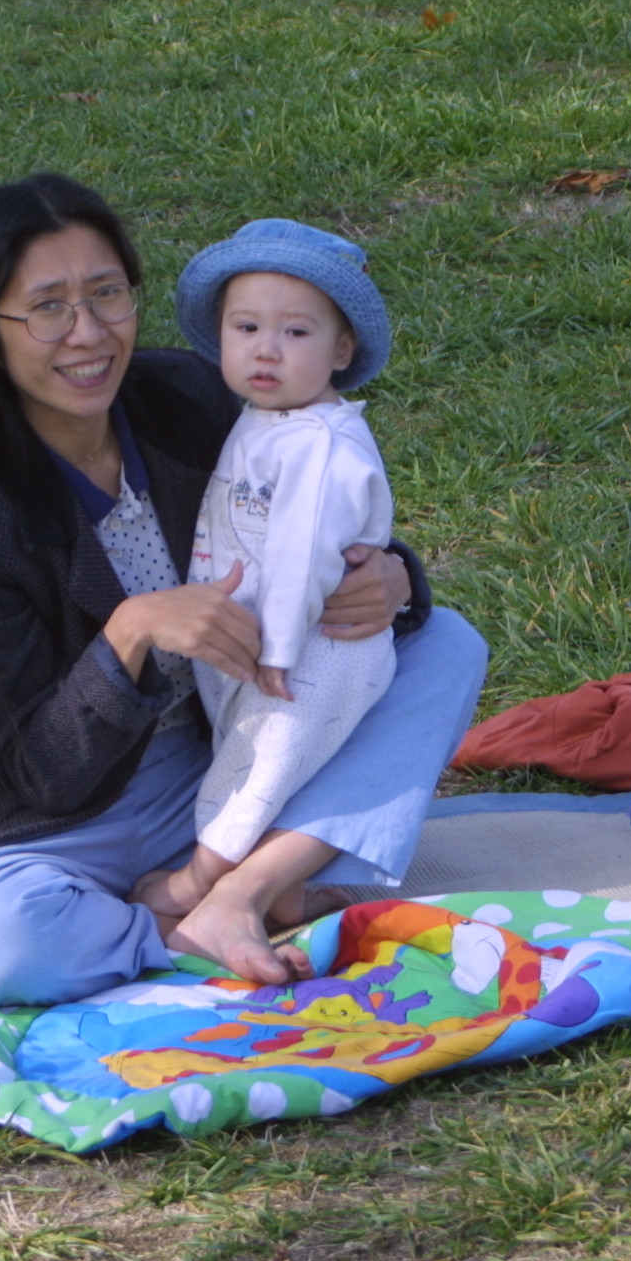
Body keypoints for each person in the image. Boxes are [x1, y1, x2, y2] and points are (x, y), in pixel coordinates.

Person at [0, 173, 486, 1005]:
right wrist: (128, 634)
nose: (89, 333)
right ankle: (181, 926)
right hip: (56, 815)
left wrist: (393, 575)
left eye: (107, 294)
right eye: (48, 308)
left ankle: (243, 893)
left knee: (445, 646)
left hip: (221, 751)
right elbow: (37, 772)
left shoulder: (188, 399)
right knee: (0, 936)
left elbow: (307, 519)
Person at [146, 220, 399, 941]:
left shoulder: (320, 442)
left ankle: (200, 878)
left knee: (264, 757)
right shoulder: (269, 418)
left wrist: (281, 650)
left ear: (341, 351)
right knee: (249, 746)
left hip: (319, 648)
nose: (266, 349)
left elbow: (301, 556)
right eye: (247, 327)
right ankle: (283, 892)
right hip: (263, 640)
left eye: (296, 333)